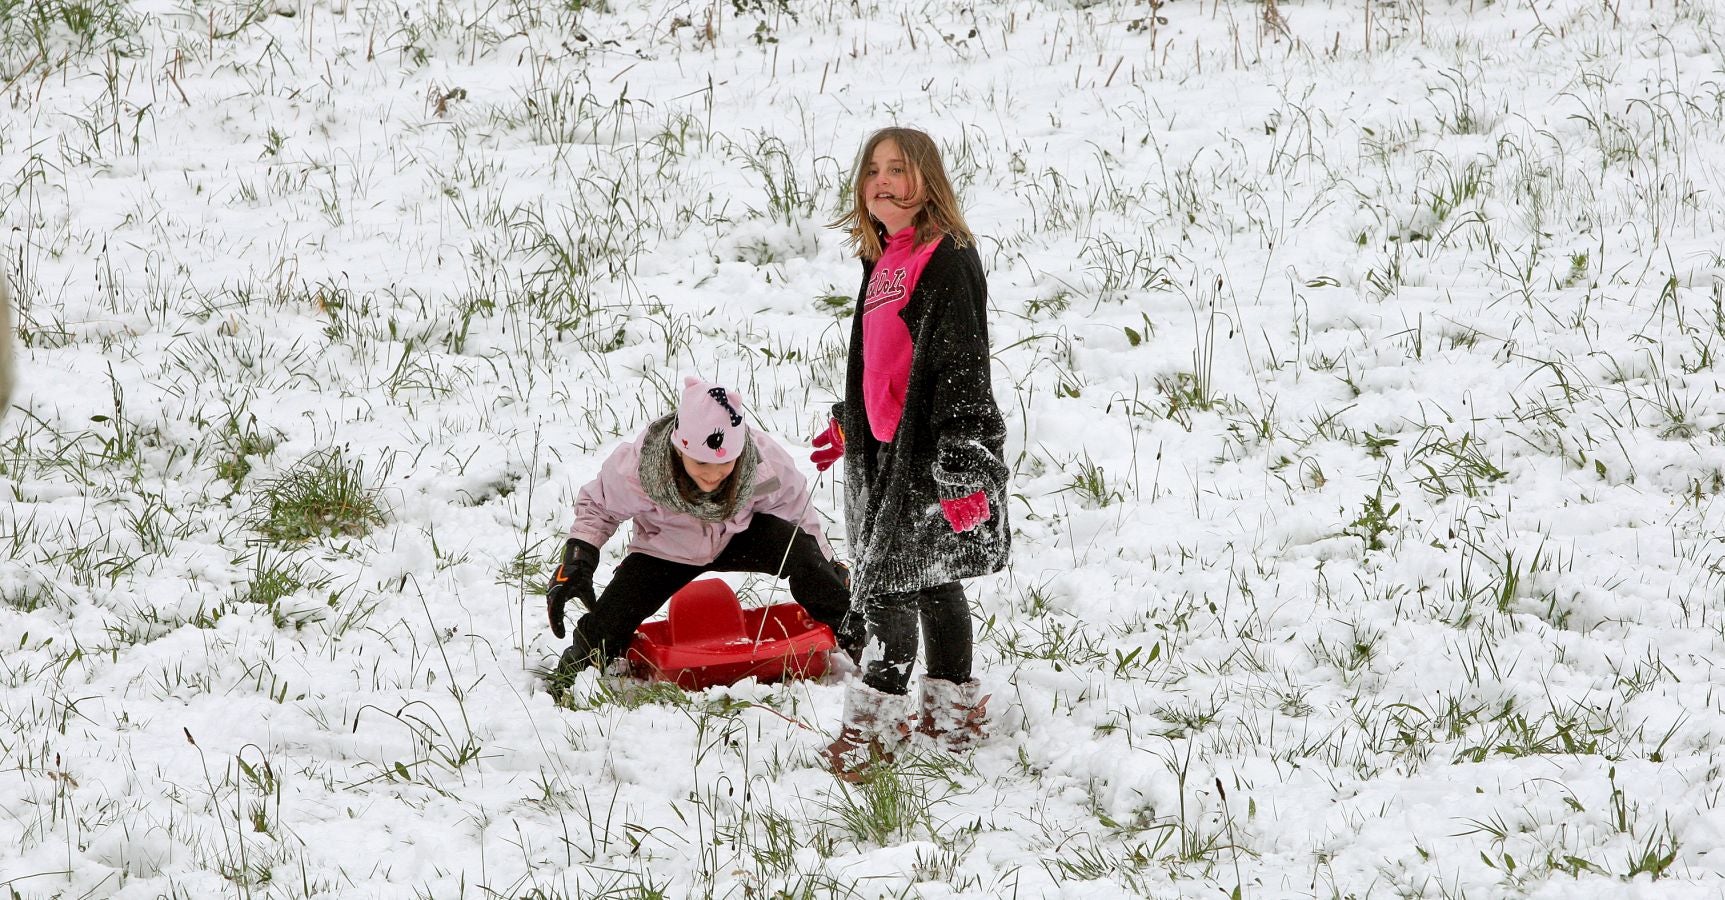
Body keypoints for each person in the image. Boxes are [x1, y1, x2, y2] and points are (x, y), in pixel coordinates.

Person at [815, 127, 1011, 778]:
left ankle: (873, 728)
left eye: (897, 168)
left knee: (886, 593)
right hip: (882, 453)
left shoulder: (945, 255)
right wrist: (854, 417)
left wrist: (962, 456)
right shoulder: (882, 257)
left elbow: (961, 363)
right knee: (930, 581)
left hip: (930, 457)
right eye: (871, 169)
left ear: (926, 179)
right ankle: (950, 715)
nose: (881, 181)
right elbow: (880, 358)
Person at [545, 376, 861, 688]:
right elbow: (599, 506)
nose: (712, 476)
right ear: (680, 448)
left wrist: (828, 565)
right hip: (667, 549)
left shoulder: (762, 465)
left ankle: (859, 639)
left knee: (802, 551)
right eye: (701, 464)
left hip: (739, 536)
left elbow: (796, 513)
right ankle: (574, 672)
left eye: (724, 467)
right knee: (606, 626)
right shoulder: (642, 470)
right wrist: (578, 559)